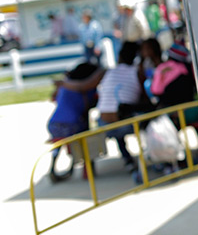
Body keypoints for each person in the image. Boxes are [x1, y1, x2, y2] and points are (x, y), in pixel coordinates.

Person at [96, 41, 143, 169]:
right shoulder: (138, 72)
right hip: (127, 124)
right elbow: (144, 99)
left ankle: (127, 159)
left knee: (117, 120)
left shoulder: (107, 72)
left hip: (104, 124)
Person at [47, 62, 100, 141]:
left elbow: (54, 98)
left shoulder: (66, 85)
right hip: (72, 125)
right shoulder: (85, 88)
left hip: (53, 124)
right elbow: (87, 105)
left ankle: (56, 151)